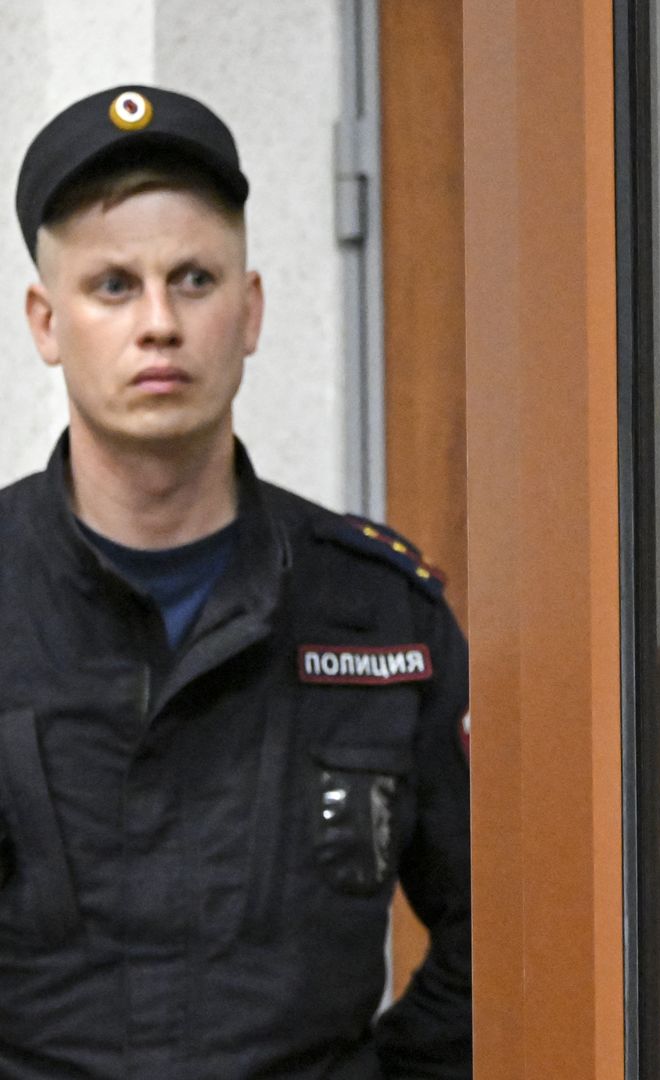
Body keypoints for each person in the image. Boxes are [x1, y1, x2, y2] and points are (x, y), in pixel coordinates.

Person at [0, 85, 471, 1078]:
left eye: (195, 279)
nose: (159, 323)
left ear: (249, 312)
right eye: (114, 286)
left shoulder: (382, 614)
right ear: (47, 323)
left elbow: (498, 930)